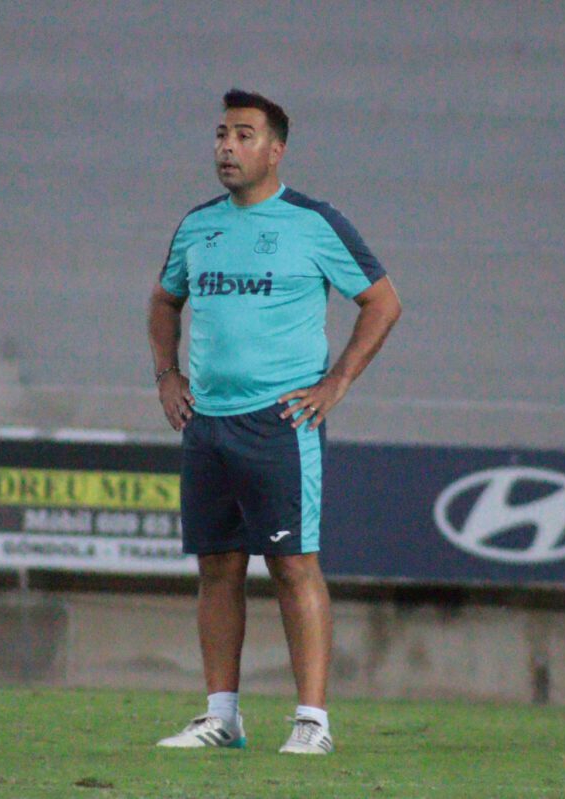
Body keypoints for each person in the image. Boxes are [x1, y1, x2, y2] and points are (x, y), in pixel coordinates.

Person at [147, 89, 402, 755]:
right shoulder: (197, 225)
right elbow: (163, 299)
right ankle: (221, 715)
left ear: (275, 150)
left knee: (293, 565)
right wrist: (166, 374)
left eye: (244, 135)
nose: (227, 146)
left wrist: (336, 382)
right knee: (218, 566)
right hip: (208, 423)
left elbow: (382, 301)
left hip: (279, 420)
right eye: (221, 134)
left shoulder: (313, 222)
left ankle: (312, 720)